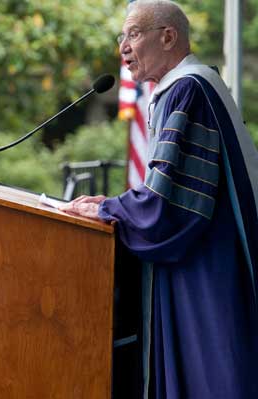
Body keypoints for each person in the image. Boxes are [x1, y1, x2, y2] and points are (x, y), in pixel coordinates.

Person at [60, 1, 258, 398]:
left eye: (133, 34)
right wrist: (116, 203)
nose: (123, 48)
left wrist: (109, 209)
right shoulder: (192, 87)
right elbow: (168, 190)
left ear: (168, 37)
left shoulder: (188, 90)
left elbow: (169, 208)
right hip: (205, 263)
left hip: (205, 273)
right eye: (123, 36)